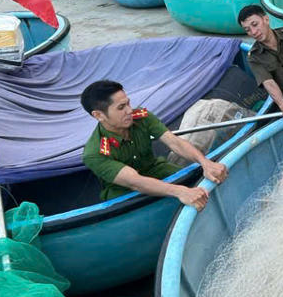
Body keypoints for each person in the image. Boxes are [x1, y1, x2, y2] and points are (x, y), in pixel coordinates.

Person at [80, 80, 228, 208]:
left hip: (155, 170)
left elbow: (175, 142)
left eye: (128, 103)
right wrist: (180, 191)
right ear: (99, 115)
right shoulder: (94, 153)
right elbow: (135, 182)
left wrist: (205, 162)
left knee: (198, 181)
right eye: (121, 107)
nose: (129, 110)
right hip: (124, 191)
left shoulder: (141, 117)